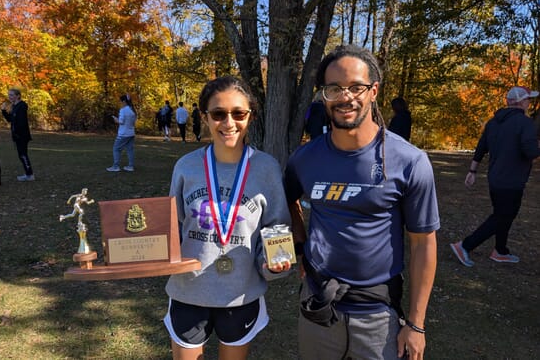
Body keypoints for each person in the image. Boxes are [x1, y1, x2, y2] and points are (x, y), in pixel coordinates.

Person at [284, 45, 439, 360]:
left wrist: (417, 324)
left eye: (356, 87)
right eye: (334, 89)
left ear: (374, 91)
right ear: (324, 95)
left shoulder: (410, 161)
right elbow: (288, 201)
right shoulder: (304, 158)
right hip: (317, 306)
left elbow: (423, 243)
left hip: (378, 313)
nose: (345, 97)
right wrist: (300, 246)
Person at [164, 76, 292, 360]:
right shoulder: (186, 167)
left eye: (239, 113)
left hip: (240, 294)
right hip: (189, 291)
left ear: (251, 116)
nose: (229, 123)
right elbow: (171, 225)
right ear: (204, 117)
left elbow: (277, 227)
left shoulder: (266, 168)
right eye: (219, 114)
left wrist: (274, 263)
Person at [450, 86, 540, 267]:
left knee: (504, 214)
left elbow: (481, 146)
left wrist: (472, 171)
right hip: (512, 180)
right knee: (502, 217)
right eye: (528, 99)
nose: (529, 103)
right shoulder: (525, 123)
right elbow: (531, 152)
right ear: (521, 102)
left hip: (495, 178)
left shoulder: (493, 122)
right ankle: (465, 246)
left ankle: (500, 250)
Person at [1, 88, 34, 181]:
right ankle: (28, 174)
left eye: (11, 95)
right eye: (9, 95)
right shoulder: (14, 106)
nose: (9, 97)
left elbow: (21, 122)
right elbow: (10, 120)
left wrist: (18, 133)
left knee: (23, 155)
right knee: (21, 155)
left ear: (18, 96)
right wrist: (3, 111)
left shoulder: (22, 106)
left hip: (22, 135)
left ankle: (30, 175)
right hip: (16, 135)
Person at [106, 94, 137, 172]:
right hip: (131, 133)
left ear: (124, 101)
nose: (120, 103)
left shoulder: (123, 110)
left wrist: (116, 120)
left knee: (116, 149)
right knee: (130, 149)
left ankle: (115, 166)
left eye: (120, 101)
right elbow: (133, 122)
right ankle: (130, 166)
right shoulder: (132, 110)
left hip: (123, 134)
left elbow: (121, 121)